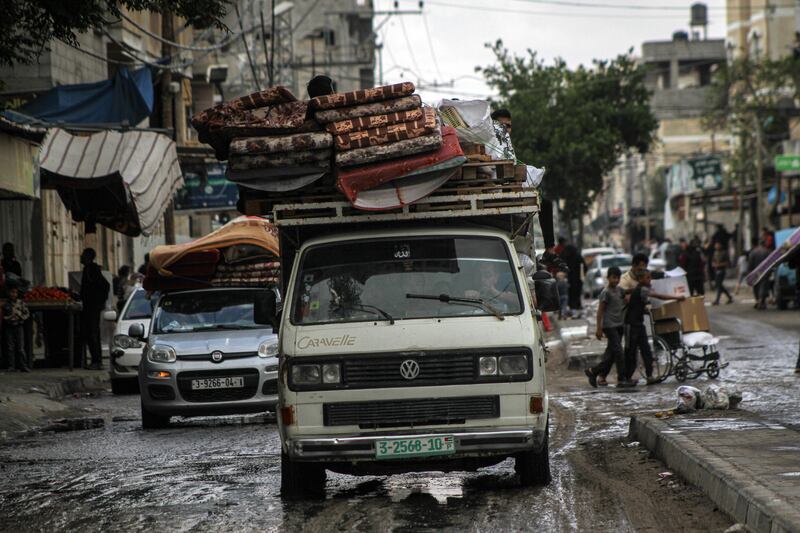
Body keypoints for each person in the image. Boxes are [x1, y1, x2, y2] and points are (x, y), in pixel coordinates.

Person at [490, 108, 567, 273]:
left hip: (509, 189)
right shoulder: (489, 142)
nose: (505, 129)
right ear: (493, 126)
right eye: (501, 125)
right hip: (493, 190)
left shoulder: (507, 146)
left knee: (544, 202)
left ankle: (549, 250)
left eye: (508, 126)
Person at [585, 266, 626, 388]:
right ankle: (622, 378)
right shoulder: (605, 292)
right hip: (609, 326)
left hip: (619, 325)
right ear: (608, 278)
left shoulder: (620, 290)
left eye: (618, 278)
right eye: (613, 277)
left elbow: (626, 297)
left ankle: (593, 372)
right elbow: (600, 311)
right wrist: (599, 328)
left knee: (611, 353)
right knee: (619, 352)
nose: (616, 280)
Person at [623, 270, 659, 386]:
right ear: (640, 280)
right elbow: (646, 302)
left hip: (636, 324)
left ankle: (630, 377)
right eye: (647, 278)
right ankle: (645, 376)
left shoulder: (639, 289)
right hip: (633, 325)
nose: (649, 280)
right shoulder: (643, 289)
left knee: (638, 351)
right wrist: (648, 308)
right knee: (637, 352)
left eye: (650, 277)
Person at [79, 248, 109, 370]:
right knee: (90, 333)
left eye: (83, 255)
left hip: (92, 307)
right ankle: (94, 360)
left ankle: (97, 361)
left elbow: (105, 285)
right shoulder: (88, 269)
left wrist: (99, 301)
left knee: (93, 333)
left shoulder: (92, 269)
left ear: (88, 257)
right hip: (89, 306)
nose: (81, 257)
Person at [1, 286, 31, 372]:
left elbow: (27, 314)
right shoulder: (6, 304)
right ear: (8, 293)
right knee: (10, 347)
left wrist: (20, 316)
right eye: (12, 292)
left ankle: (23, 366)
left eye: (15, 292)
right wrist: (9, 317)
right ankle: (11, 366)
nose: (13, 294)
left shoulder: (21, 303)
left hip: (19, 326)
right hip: (9, 326)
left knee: (20, 348)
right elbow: (3, 316)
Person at [747, 239, 771, 310]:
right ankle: (761, 301)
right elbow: (770, 262)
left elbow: (750, 263)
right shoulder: (767, 251)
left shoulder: (753, 252)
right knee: (763, 286)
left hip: (755, 271)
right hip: (764, 271)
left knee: (756, 286)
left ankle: (758, 301)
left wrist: (749, 271)